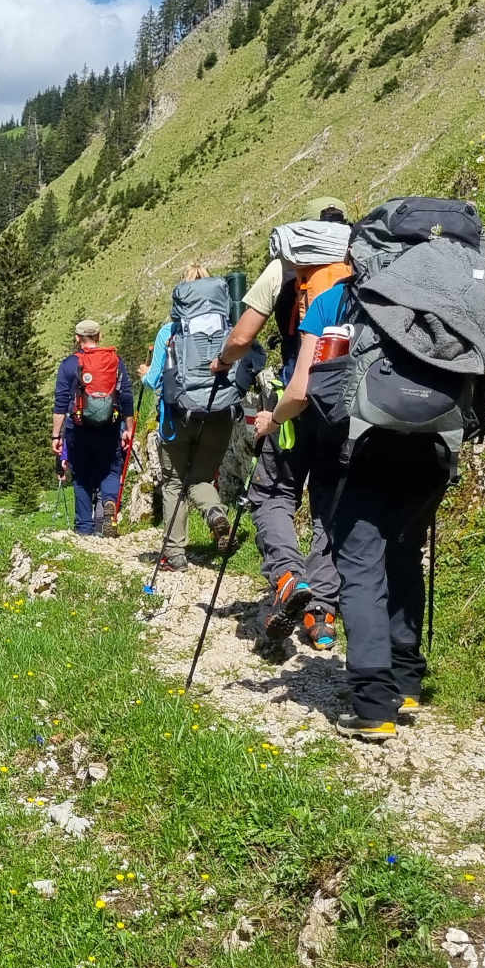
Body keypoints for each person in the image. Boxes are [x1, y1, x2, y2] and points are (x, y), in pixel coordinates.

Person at [250, 240, 429, 743]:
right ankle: (398, 672)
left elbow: (305, 387)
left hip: (342, 427)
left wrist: (273, 417)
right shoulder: (431, 296)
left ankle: (293, 584)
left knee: (313, 521)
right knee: (391, 548)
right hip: (426, 436)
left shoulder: (335, 296)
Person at [213, 197, 350, 648]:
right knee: (331, 507)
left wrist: (222, 362)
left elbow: (243, 336)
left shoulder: (287, 265)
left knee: (272, 495)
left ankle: (289, 577)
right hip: (347, 405)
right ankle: (322, 618)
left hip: (294, 400)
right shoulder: (358, 263)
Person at [140, 263, 240, 571]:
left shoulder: (169, 331)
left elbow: (156, 380)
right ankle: (216, 516)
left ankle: (175, 554)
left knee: (174, 482)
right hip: (220, 413)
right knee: (201, 477)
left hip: (179, 418)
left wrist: (145, 374)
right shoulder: (231, 327)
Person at [50, 319, 134, 536]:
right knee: (111, 470)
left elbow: (60, 403)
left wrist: (56, 436)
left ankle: (84, 529)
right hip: (110, 427)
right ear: (99, 336)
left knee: (82, 476)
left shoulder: (69, 364)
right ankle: (108, 505)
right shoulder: (115, 361)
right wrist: (129, 428)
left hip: (78, 429)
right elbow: (126, 396)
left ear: (78, 339)